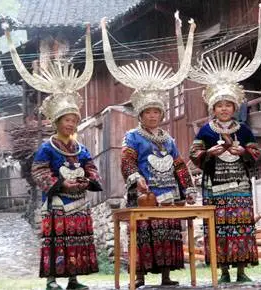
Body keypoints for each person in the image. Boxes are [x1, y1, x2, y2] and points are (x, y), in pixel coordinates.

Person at [102, 14, 198, 287]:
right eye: (149, 112)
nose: (154, 116)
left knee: (168, 232)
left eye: (157, 111)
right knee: (143, 233)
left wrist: (188, 188)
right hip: (144, 194)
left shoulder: (168, 138)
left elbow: (179, 164)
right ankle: (140, 275)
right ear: (141, 114)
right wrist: (136, 179)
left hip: (168, 193)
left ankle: (167, 275)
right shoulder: (132, 136)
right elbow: (127, 162)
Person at [10, 24, 103, 290]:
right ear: (57, 122)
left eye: (74, 120)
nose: (71, 124)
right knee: (56, 240)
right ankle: (52, 280)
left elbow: (91, 168)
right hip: (57, 202)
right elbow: (39, 172)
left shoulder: (81, 148)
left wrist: (87, 181)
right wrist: (61, 184)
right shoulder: (47, 147)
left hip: (78, 200)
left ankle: (74, 279)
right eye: (66, 120)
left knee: (77, 239)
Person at [188, 5, 261, 282]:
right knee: (219, 228)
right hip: (215, 186)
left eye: (228, 105)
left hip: (240, 187)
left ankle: (242, 271)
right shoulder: (206, 130)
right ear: (212, 107)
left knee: (241, 226)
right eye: (219, 105)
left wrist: (242, 150)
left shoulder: (243, 129)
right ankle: (222, 272)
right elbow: (194, 153)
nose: (223, 110)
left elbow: (256, 152)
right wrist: (208, 152)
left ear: (234, 107)